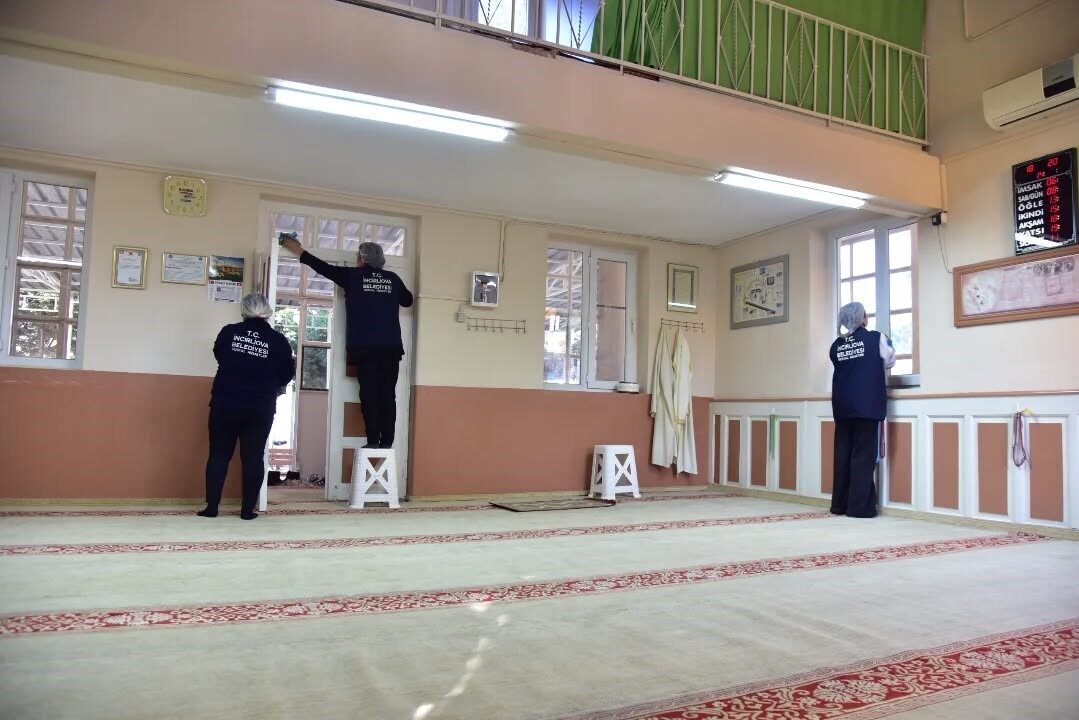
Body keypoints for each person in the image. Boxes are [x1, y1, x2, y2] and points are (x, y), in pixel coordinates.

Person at [280, 235, 413, 449]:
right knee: (387, 395)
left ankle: (373, 440)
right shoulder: (393, 279)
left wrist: (299, 251)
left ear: (362, 258)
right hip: (390, 349)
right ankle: (387, 441)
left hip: (365, 350)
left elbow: (324, 268)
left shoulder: (353, 276)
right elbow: (407, 301)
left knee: (369, 395)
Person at [200, 293, 295, 520]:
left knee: (218, 454)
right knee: (253, 457)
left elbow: (220, 355)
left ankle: (212, 508)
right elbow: (287, 374)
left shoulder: (229, 332)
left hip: (225, 402)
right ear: (267, 311)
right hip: (259, 406)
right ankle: (246, 511)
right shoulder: (278, 341)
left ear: (244, 310)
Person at [828, 301, 895, 518]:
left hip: (842, 406)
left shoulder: (836, 345)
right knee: (863, 457)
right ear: (862, 318)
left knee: (843, 455)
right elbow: (889, 361)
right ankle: (858, 508)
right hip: (867, 405)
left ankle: (839, 505)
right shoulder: (876, 338)